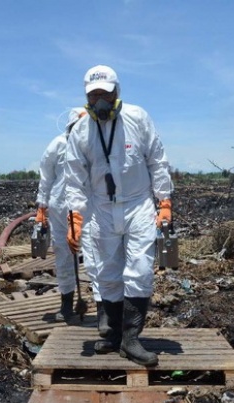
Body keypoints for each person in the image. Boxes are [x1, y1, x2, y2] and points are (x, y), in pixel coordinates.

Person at [65, 65, 173, 366]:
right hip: (101, 207)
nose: (100, 100)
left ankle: (131, 339)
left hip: (138, 204)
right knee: (106, 272)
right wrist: (75, 217)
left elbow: (157, 160)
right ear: (87, 97)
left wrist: (164, 201)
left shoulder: (137, 118)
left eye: (106, 94)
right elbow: (74, 177)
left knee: (139, 271)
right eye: (94, 95)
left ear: (117, 93)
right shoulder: (81, 132)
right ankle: (112, 336)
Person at [35, 107, 87, 322]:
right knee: (64, 254)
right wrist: (42, 206)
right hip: (59, 209)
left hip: (89, 208)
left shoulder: (94, 146)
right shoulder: (58, 144)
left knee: (96, 254)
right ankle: (67, 304)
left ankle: (106, 307)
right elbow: (46, 176)